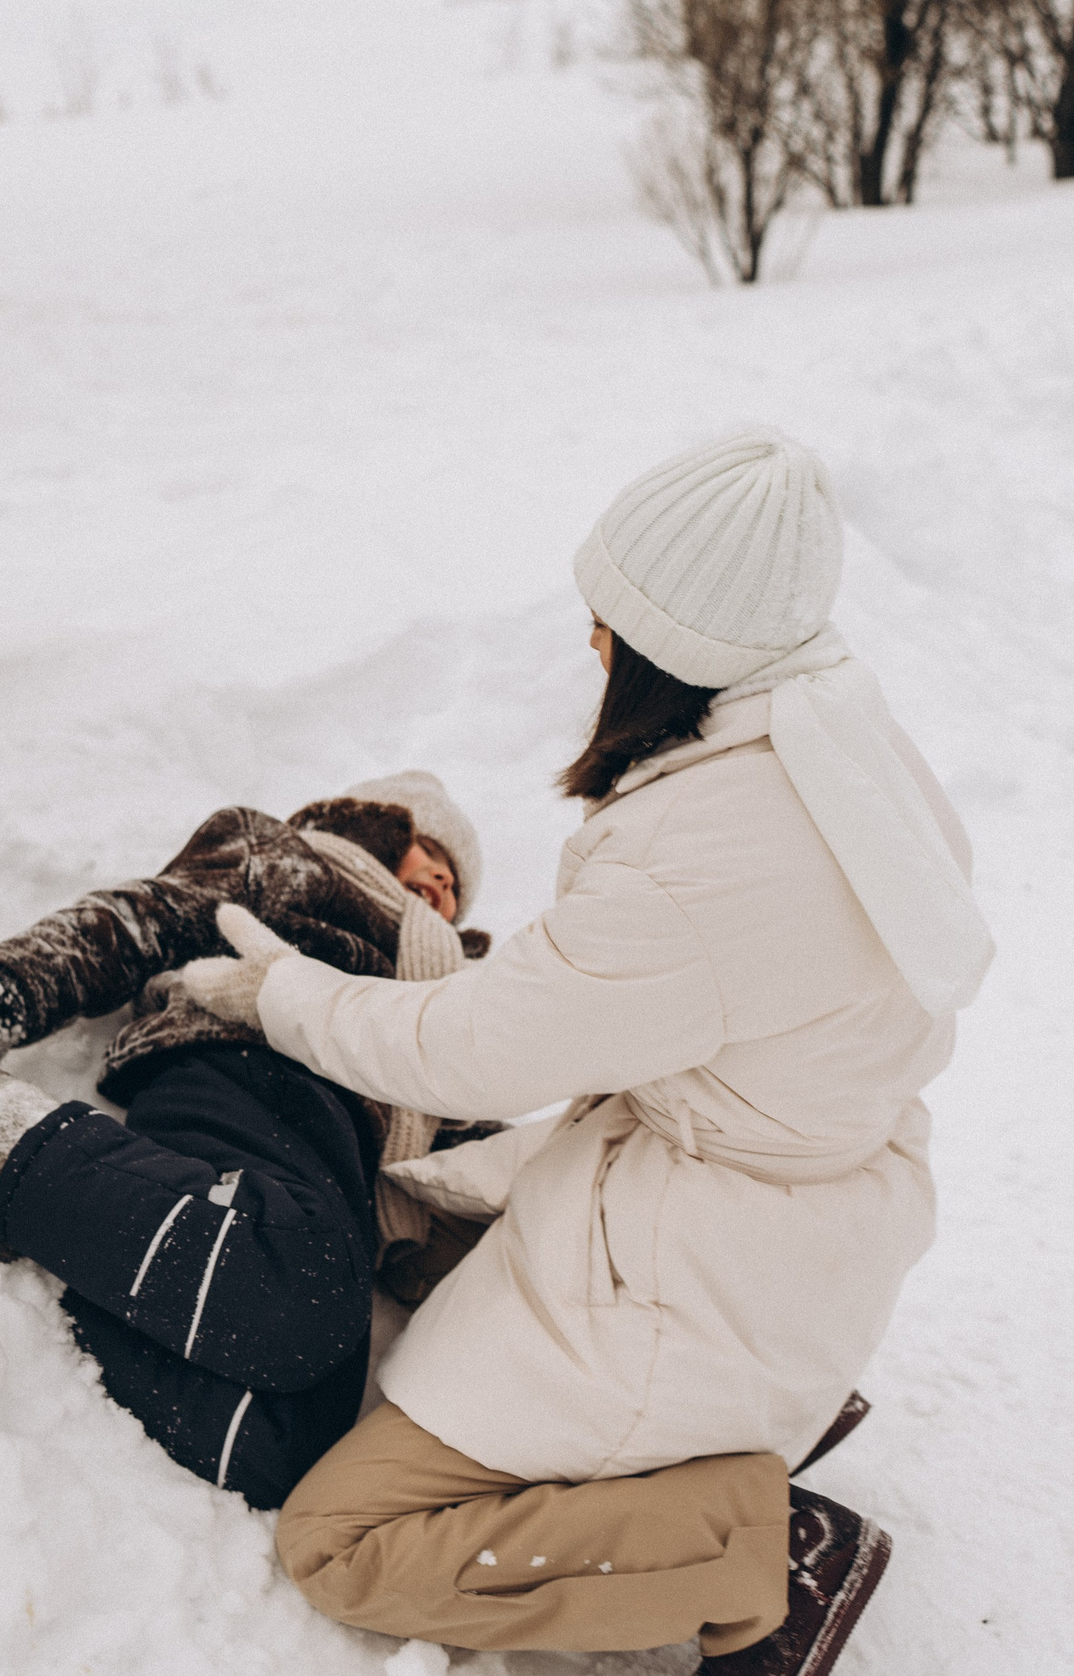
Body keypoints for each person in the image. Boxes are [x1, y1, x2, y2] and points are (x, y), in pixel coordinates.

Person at [173, 430, 993, 1676]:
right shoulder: (847, 749)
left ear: (673, 644)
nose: (592, 642)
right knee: (419, 1245)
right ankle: (716, 1440)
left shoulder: (697, 856)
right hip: (801, 1225)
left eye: (610, 620)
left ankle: (738, 1540)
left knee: (340, 1541)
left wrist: (280, 993)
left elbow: (467, 1050)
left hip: (693, 1269)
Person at [0, 771, 509, 1510]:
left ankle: (55, 1245)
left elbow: (474, 1142)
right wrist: (4, 994)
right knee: (301, 1283)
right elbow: (135, 920)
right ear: (375, 824)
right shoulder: (292, 862)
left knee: (282, 1442)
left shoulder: (450, 994)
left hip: (343, 1164)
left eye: (456, 884)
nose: (444, 881)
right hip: (251, 1070)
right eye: (430, 851)